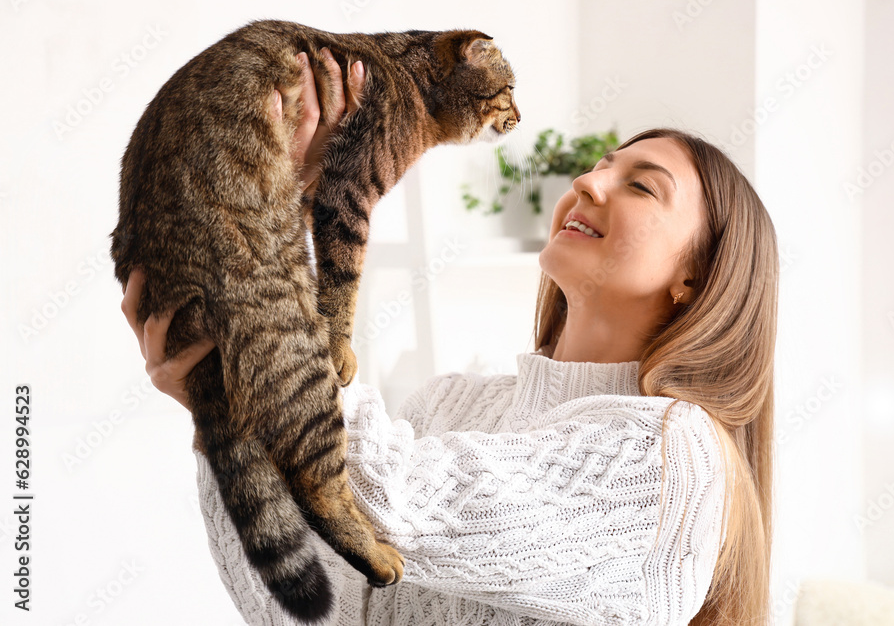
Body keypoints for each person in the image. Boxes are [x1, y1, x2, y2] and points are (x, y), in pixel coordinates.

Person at [120, 48, 778, 626]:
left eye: (640, 185)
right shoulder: (449, 405)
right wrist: (223, 415)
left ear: (695, 276)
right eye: (602, 165)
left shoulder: (670, 455)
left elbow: (391, 501)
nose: (587, 181)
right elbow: (334, 611)